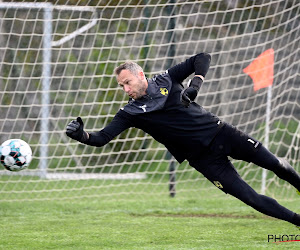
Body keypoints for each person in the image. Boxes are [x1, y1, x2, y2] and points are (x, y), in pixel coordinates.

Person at [66, 53, 300, 226]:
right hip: (204, 161)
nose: (125, 89)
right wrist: (81, 135)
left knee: (276, 164)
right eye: (121, 86)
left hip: (223, 135)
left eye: (127, 82)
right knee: (251, 199)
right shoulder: (131, 112)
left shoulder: (167, 79)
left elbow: (202, 58)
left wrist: (194, 85)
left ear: (140, 75)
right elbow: (101, 138)